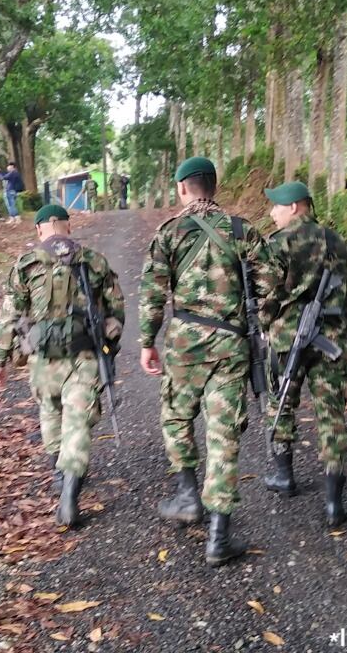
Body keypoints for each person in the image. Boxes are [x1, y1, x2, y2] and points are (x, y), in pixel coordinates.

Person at [137, 156, 274, 566]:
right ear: (215, 187)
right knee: (224, 434)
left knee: (177, 416)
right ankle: (219, 536)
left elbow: (152, 293)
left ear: (182, 188)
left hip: (184, 344)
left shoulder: (169, 233)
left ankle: (186, 495)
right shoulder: (243, 231)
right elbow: (270, 283)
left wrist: (147, 341)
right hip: (232, 346)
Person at [0, 204, 125, 528]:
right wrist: (110, 347)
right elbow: (116, 310)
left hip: (42, 360)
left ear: (39, 230)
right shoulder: (93, 261)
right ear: (67, 226)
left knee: (50, 413)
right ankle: (69, 497)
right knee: (77, 421)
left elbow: (7, 317)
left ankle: (61, 476)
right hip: (84, 356)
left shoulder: (26, 264)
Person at [258, 181, 347, 528]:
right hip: (332, 340)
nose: (272, 213)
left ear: (295, 207)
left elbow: (266, 294)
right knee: (331, 415)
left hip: (288, 340)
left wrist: (264, 323)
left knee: (281, 402)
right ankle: (334, 503)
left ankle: (284, 475)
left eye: (276, 206)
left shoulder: (276, 244)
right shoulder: (337, 241)